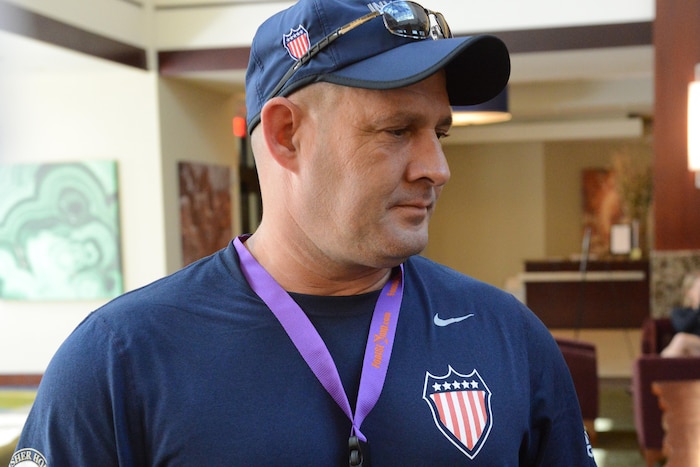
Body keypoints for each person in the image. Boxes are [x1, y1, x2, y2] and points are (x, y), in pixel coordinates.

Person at [11, 1, 597, 465]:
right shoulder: (119, 358)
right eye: (397, 130)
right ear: (286, 135)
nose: (436, 169)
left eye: (439, 134)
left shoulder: (507, 336)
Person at [661, 271, 700, 357]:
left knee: (681, 339)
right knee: (682, 345)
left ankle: (656, 366)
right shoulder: (679, 312)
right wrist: (697, 309)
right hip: (693, 349)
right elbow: (682, 327)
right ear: (689, 292)